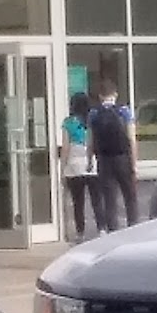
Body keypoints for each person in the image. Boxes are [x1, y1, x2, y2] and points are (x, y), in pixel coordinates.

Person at [89, 78, 140, 230]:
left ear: (100, 96)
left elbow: (90, 140)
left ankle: (113, 231)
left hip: (104, 160)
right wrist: (134, 164)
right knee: (130, 196)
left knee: (109, 199)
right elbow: (132, 139)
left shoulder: (94, 113)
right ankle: (133, 227)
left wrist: (90, 159)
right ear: (115, 94)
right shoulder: (124, 111)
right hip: (123, 158)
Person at [61, 92, 97, 237]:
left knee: (78, 201)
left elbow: (65, 147)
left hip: (74, 165)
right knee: (97, 200)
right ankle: (102, 228)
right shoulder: (92, 120)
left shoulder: (68, 123)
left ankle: (80, 232)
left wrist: (62, 169)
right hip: (92, 164)